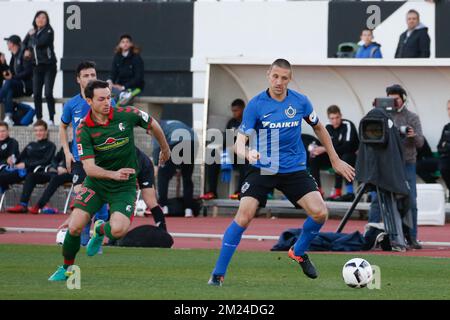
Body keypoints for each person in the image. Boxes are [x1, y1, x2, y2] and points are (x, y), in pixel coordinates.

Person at [208, 59, 355, 286]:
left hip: (294, 168)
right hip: (262, 167)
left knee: (320, 213)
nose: (279, 82)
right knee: (244, 215)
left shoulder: (300, 101)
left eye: (284, 78)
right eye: (275, 76)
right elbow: (239, 143)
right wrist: (248, 154)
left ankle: (298, 251)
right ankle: (218, 274)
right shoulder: (256, 105)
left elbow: (319, 127)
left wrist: (335, 159)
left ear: (290, 78)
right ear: (268, 75)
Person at [48, 80, 170, 281]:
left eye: (109, 97)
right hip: (97, 183)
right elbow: (89, 169)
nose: (107, 102)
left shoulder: (126, 114)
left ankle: (99, 229)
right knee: (75, 226)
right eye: (101, 99)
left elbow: (153, 124)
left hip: (124, 186)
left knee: (118, 230)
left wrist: (165, 149)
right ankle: (66, 268)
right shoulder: (84, 129)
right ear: (89, 101)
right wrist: (113, 174)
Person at [59, 61, 110, 245]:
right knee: (84, 199)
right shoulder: (72, 104)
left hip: (102, 158)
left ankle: (97, 240)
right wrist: (66, 151)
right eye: (86, 76)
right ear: (78, 79)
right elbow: (63, 126)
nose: (90, 78)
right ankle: (82, 243)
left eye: (93, 75)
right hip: (80, 160)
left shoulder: (105, 100)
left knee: (101, 202)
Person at [368, 84, 424, 250]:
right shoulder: (382, 116)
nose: (393, 102)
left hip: (407, 163)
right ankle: (371, 234)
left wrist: (412, 136)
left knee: (411, 201)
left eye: (396, 99)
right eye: (390, 99)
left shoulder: (412, 117)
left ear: (403, 99)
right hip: (385, 163)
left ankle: (412, 238)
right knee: (377, 200)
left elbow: (420, 142)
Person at [200, 98, 249, 200]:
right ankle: (212, 192)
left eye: (236, 110)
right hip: (232, 153)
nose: (234, 113)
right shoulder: (231, 122)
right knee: (212, 156)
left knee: (245, 159)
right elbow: (227, 140)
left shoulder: (248, 121)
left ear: (243, 109)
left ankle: (240, 191)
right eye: (233, 111)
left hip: (245, 153)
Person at [309, 105, 359, 201]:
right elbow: (321, 145)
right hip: (335, 156)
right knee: (314, 157)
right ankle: (318, 192)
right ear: (329, 118)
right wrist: (316, 150)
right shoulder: (328, 127)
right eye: (332, 118)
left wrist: (325, 149)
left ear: (341, 116)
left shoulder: (347, 125)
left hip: (351, 157)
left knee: (344, 157)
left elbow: (347, 147)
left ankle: (347, 192)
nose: (335, 121)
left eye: (337, 117)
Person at [6, 145, 71, 214]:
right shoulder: (67, 145)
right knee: (31, 176)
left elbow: (47, 160)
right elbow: (54, 160)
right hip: (60, 172)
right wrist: (58, 167)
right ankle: (23, 204)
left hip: (73, 173)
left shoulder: (51, 146)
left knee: (55, 178)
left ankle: (40, 205)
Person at [153, 120, 198, 218]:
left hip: (176, 143)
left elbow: (157, 148)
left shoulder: (155, 127)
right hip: (192, 143)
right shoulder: (173, 123)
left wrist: (156, 165)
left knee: (162, 175)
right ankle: (188, 209)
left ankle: (163, 206)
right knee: (187, 178)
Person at [0, 120, 55, 197]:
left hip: (31, 171)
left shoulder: (51, 145)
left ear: (46, 131)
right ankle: (3, 186)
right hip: (18, 169)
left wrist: (26, 164)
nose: (38, 133)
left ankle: (3, 187)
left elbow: (45, 161)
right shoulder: (31, 144)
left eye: (41, 130)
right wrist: (13, 161)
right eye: (36, 130)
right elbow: (19, 158)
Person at [23, 11, 57, 124]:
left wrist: (31, 36)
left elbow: (40, 43)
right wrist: (27, 50)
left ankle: (51, 118)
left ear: (47, 20)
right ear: (35, 19)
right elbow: (24, 44)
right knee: (36, 93)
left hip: (49, 66)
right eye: (38, 17)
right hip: (36, 67)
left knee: (47, 93)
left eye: (43, 18)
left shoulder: (49, 31)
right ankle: (39, 118)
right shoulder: (33, 32)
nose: (41, 19)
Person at [0, 35, 33, 126]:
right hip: (16, 86)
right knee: (9, 90)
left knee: (9, 82)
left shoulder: (24, 54)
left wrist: (13, 77)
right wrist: (3, 65)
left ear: (13, 44)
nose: (7, 44)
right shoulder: (13, 57)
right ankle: (8, 117)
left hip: (25, 86)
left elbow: (28, 71)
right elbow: (10, 72)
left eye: (8, 42)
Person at [107, 34, 144, 101]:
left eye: (127, 42)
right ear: (119, 44)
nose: (125, 44)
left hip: (134, 87)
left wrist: (123, 87)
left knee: (121, 99)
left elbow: (138, 77)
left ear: (131, 44)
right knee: (108, 95)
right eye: (123, 42)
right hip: (120, 86)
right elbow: (113, 73)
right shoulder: (117, 57)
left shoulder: (136, 58)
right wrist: (110, 81)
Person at [437, 100, 450, 193]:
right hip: (445, 158)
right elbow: (439, 147)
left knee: (444, 167)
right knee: (420, 166)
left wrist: (446, 145)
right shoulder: (447, 127)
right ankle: (439, 190)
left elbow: (444, 146)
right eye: (448, 109)